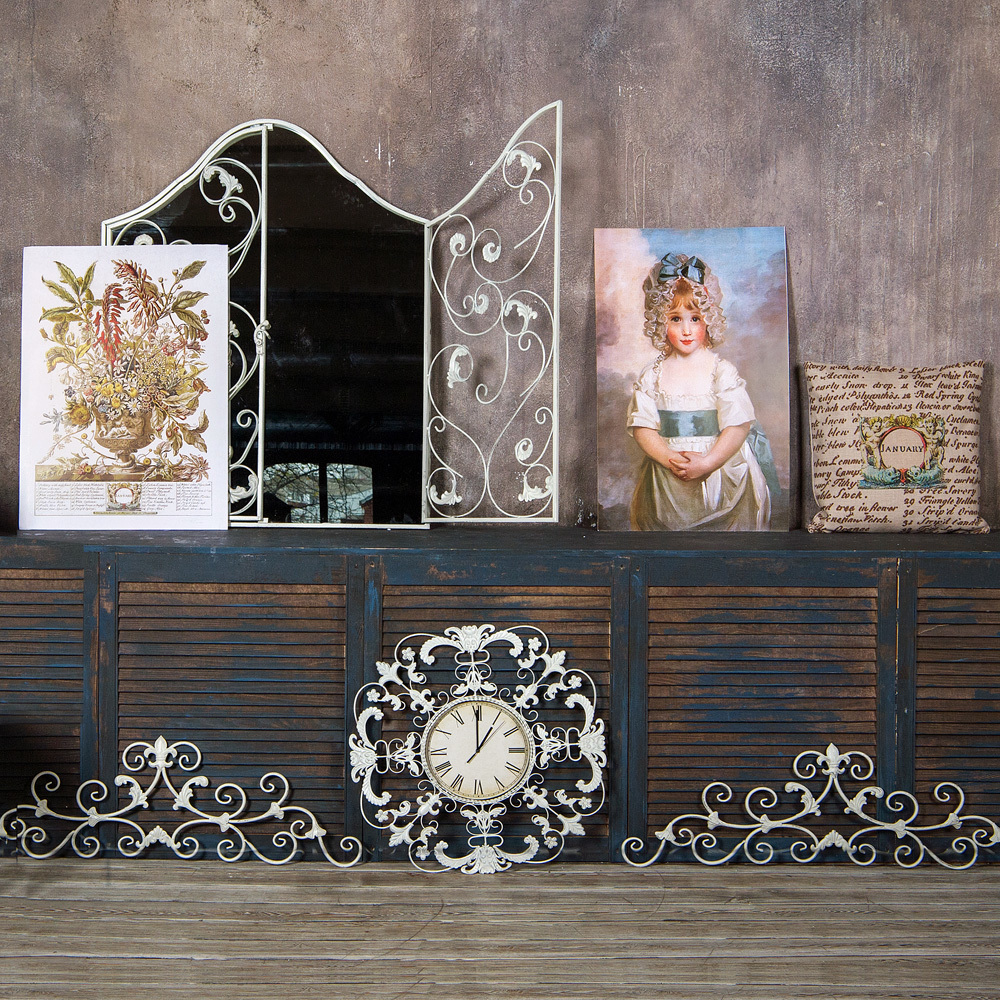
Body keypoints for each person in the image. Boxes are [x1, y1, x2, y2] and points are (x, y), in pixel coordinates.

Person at [626, 252, 772, 531]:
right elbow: (642, 428)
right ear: (660, 322)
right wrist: (672, 461)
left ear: (708, 319)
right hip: (668, 474)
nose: (686, 330)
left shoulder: (721, 371)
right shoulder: (652, 374)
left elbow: (738, 425)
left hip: (718, 468)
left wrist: (707, 463)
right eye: (675, 319)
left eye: (695, 318)